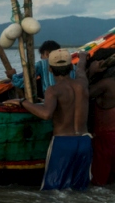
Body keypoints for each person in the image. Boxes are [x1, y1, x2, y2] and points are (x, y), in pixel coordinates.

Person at [5, 49, 92, 190]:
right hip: (84, 142)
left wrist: (23, 102)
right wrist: (82, 55)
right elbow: (81, 67)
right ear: (71, 67)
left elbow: (46, 114)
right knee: (79, 189)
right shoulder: (82, 83)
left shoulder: (53, 90)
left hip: (63, 143)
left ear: (50, 69)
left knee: (53, 191)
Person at [87, 49, 115, 186]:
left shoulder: (106, 84)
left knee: (98, 183)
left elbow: (81, 94)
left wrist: (90, 73)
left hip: (106, 139)